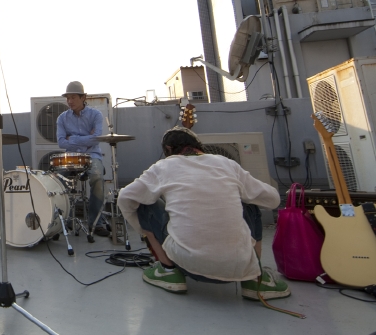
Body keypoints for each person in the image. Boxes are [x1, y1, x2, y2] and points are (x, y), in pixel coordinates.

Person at [117, 126, 290, 300]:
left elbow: (125, 197)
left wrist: (143, 230)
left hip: (186, 264)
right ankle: (255, 278)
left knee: (144, 202)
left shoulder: (163, 166)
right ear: (198, 146)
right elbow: (273, 199)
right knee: (251, 202)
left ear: (168, 149)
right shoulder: (227, 163)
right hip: (239, 266)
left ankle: (168, 270)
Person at [56, 81, 109, 238]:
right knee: (56, 180)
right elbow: (61, 142)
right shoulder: (62, 118)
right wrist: (87, 138)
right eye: (68, 98)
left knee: (97, 177)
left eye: (73, 97)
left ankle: (96, 223)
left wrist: (72, 138)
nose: (70, 101)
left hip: (92, 155)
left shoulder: (96, 115)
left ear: (83, 97)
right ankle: (64, 220)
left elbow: (96, 138)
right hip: (71, 157)